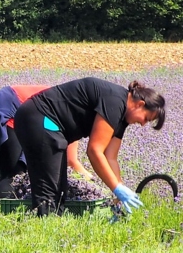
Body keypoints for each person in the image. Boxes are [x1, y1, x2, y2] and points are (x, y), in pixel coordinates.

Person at [11, 78, 166, 216]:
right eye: (146, 118)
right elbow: (94, 150)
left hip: (50, 128)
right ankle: (44, 235)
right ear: (140, 104)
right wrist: (116, 188)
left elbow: (110, 157)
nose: (143, 124)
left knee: (60, 190)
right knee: (49, 191)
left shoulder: (122, 117)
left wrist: (118, 196)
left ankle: (52, 230)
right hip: (39, 119)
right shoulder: (115, 101)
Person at [0, 84, 85, 199]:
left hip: (2, 102)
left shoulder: (68, 99)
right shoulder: (72, 115)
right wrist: (90, 181)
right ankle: (0, 210)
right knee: (16, 174)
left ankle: (2, 207)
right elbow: (71, 161)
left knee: (19, 169)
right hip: (9, 109)